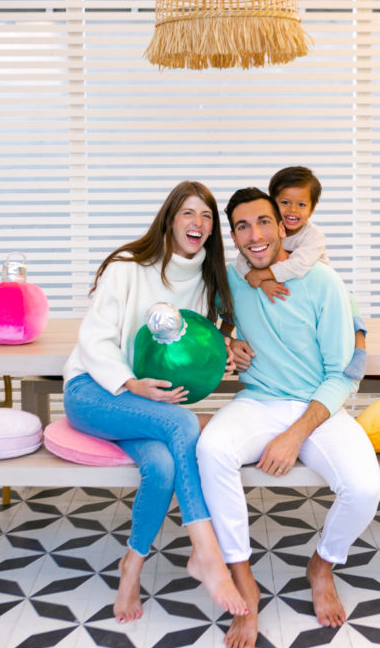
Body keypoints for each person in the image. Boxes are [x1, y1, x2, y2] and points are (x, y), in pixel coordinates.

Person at [197, 187, 380, 648]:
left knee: (364, 488)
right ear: (233, 236)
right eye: (241, 226)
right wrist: (225, 341)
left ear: (283, 225)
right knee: (211, 449)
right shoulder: (236, 278)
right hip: (259, 401)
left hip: (320, 408)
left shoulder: (324, 283)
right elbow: (215, 322)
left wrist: (293, 435)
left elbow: (343, 374)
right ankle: (244, 581)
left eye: (263, 222)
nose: (254, 235)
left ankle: (322, 566)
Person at [63, 181, 248, 624]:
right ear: (169, 219)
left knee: (163, 465)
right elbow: (94, 339)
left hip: (147, 407)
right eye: (188, 213)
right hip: (94, 391)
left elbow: (194, 346)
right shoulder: (128, 268)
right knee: (184, 425)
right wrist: (129, 383)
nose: (198, 223)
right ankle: (206, 552)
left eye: (206, 216)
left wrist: (227, 346)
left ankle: (131, 568)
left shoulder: (207, 282)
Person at [234, 166, 366, 381]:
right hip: (287, 288)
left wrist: (263, 274)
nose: (292, 210)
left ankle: (360, 349)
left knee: (349, 306)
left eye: (301, 205)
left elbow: (298, 266)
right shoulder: (268, 229)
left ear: (312, 210)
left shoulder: (313, 235)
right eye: (285, 202)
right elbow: (243, 259)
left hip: (314, 286)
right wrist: (262, 282)